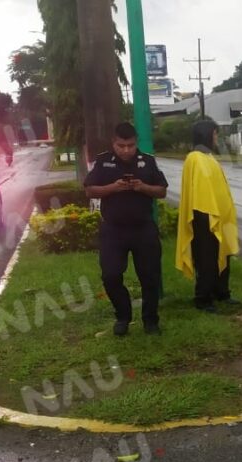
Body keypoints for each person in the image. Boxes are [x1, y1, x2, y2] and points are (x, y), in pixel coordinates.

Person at [83, 122, 169, 336]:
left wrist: (143, 187)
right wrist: (113, 188)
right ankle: (123, 316)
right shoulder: (103, 162)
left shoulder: (147, 161)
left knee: (150, 277)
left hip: (143, 229)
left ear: (136, 142)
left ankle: (150, 321)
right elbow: (89, 190)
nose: (126, 150)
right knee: (110, 276)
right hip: (114, 230)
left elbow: (161, 191)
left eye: (130, 145)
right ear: (114, 143)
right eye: (121, 145)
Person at [176, 120, 239, 313]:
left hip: (219, 218)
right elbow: (200, 192)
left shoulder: (208, 157)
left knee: (222, 255)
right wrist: (207, 217)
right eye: (215, 134)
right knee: (206, 259)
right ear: (207, 134)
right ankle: (203, 298)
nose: (216, 138)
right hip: (204, 218)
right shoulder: (195, 158)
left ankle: (222, 293)